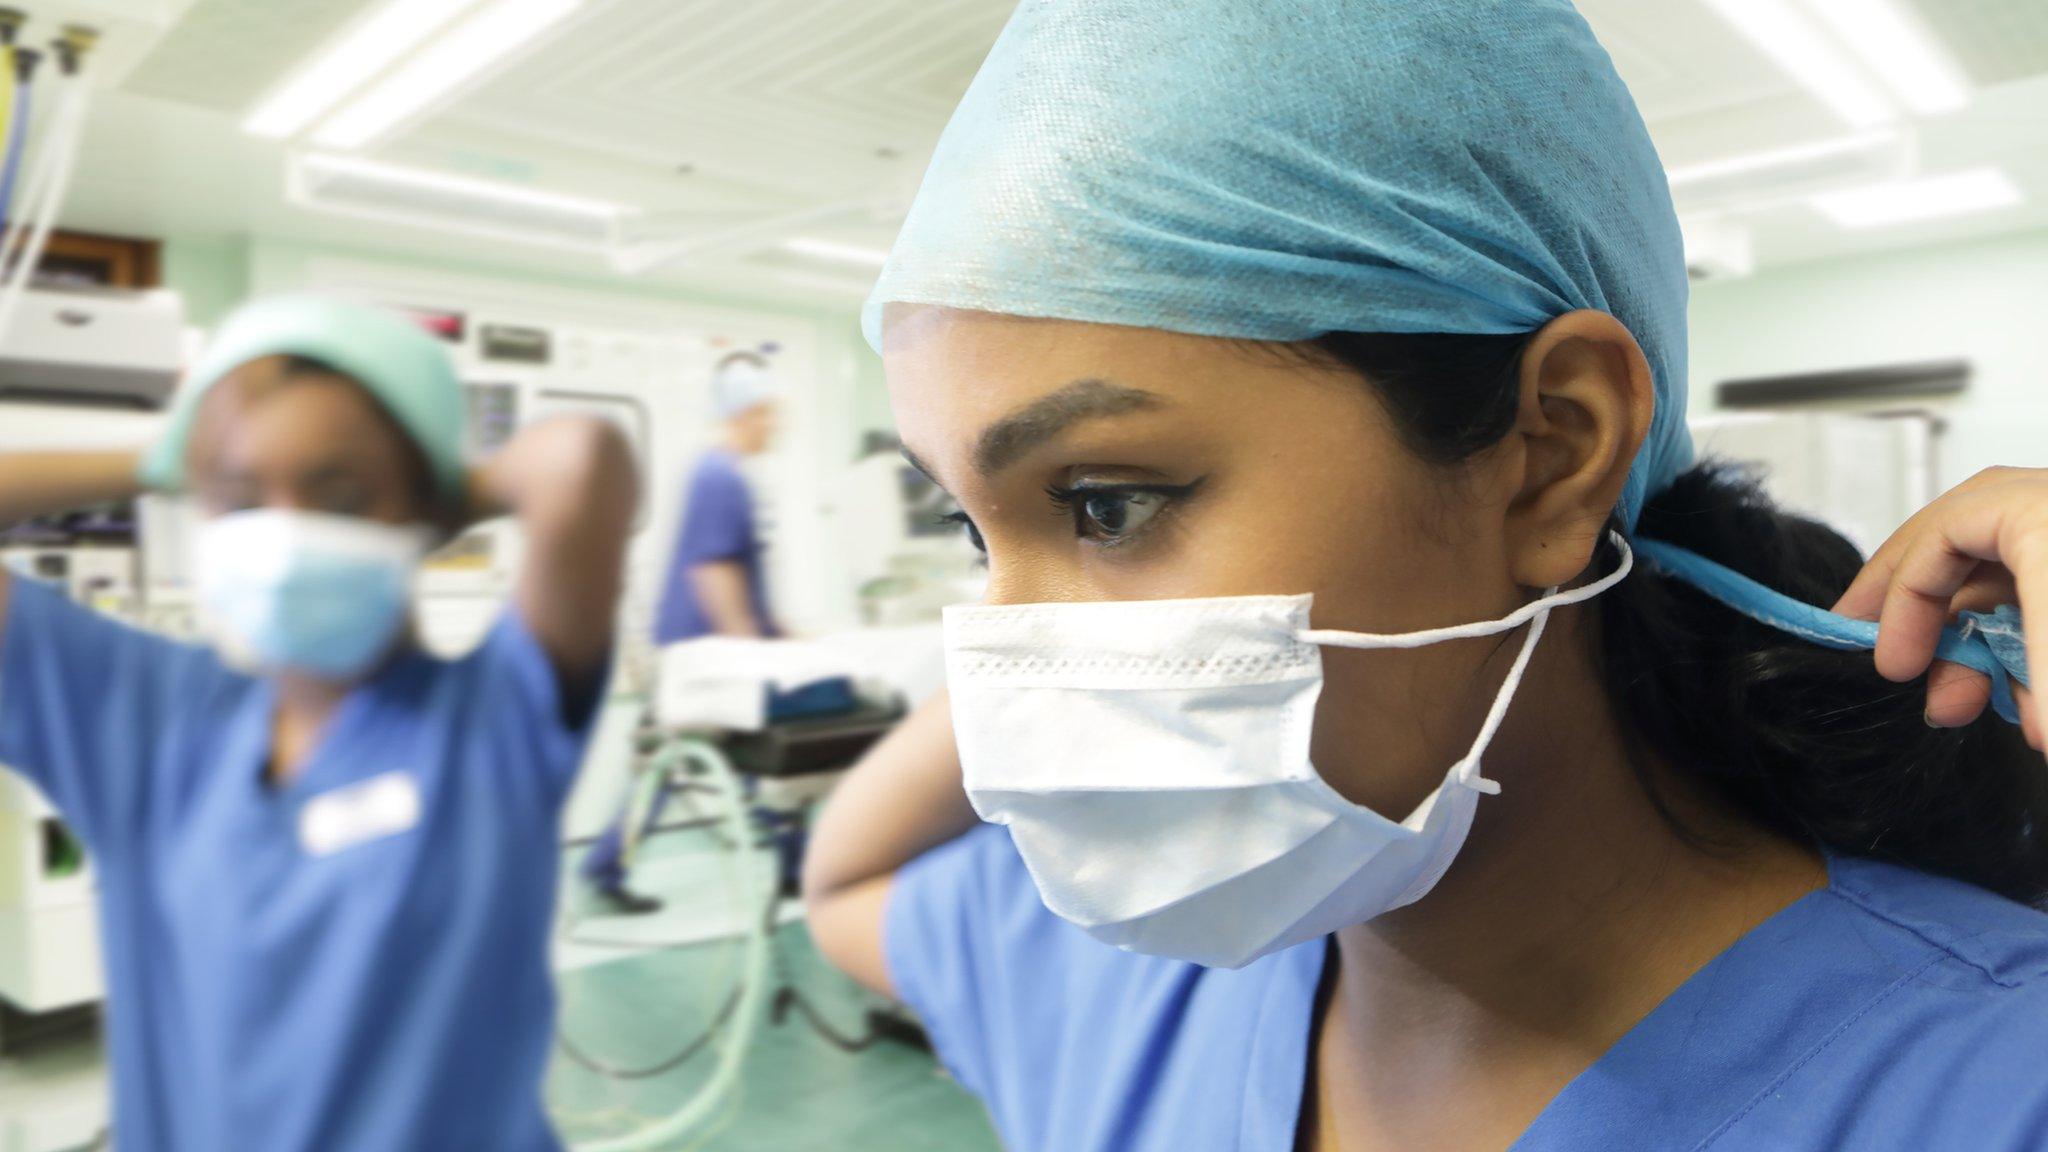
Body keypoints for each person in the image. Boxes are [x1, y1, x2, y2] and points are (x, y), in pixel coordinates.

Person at [801, 3, 2048, 1150]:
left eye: (1103, 503)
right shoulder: (1123, 959)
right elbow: (845, 885)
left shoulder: (1987, 1090)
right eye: (970, 531)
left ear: (1550, 453)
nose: (1008, 660)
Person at [0, 295, 638, 1151]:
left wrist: (447, 490)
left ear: (423, 507)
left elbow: (581, 463)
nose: (285, 529)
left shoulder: (490, 724)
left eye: (337, 496)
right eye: (241, 497)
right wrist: (162, 456)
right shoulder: (144, 721)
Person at [581, 351, 781, 914]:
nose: (775, 426)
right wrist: (747, 646)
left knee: (726, 758)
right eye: (768, 413)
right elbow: (713, 568)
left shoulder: (727, 475)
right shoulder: (719, 476)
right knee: (678, 762)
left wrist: (778, 629)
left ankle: (790, 858)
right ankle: (605, 867)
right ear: (745, 413)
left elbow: (741, 568)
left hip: (711, 643)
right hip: (703, 649)